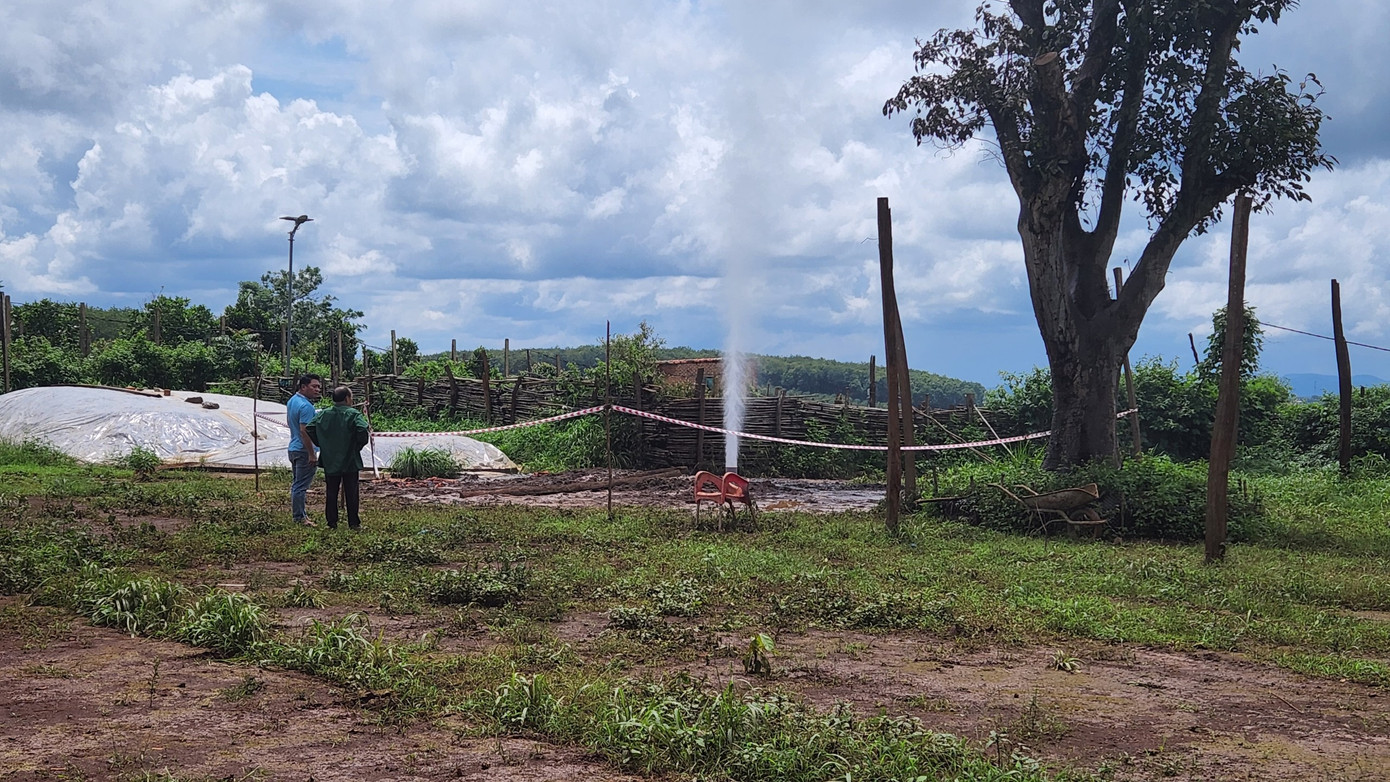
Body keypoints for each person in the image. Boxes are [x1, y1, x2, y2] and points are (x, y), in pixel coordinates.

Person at [306, 386, 371, 530]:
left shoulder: (324, 414)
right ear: (347, 398)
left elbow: (310, 427)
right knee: (351, 492)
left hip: (330, 459)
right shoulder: (353, 414)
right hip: (350, 459)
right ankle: (354, 523)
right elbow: (362, 429)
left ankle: (331, 522)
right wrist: (357, 445)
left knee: (331, 491)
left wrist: (322, 443)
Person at [286, 373, 323, 526]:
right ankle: (299, 518)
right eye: (314, 386)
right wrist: (311, 454)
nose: (317, 389)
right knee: (300, 486)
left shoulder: (292, 401)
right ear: (303, 387)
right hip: (303, 450)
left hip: (293, 447)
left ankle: (300, 515)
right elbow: (304, 431)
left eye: (319, 386)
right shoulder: (306, 406)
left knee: (297, 483)